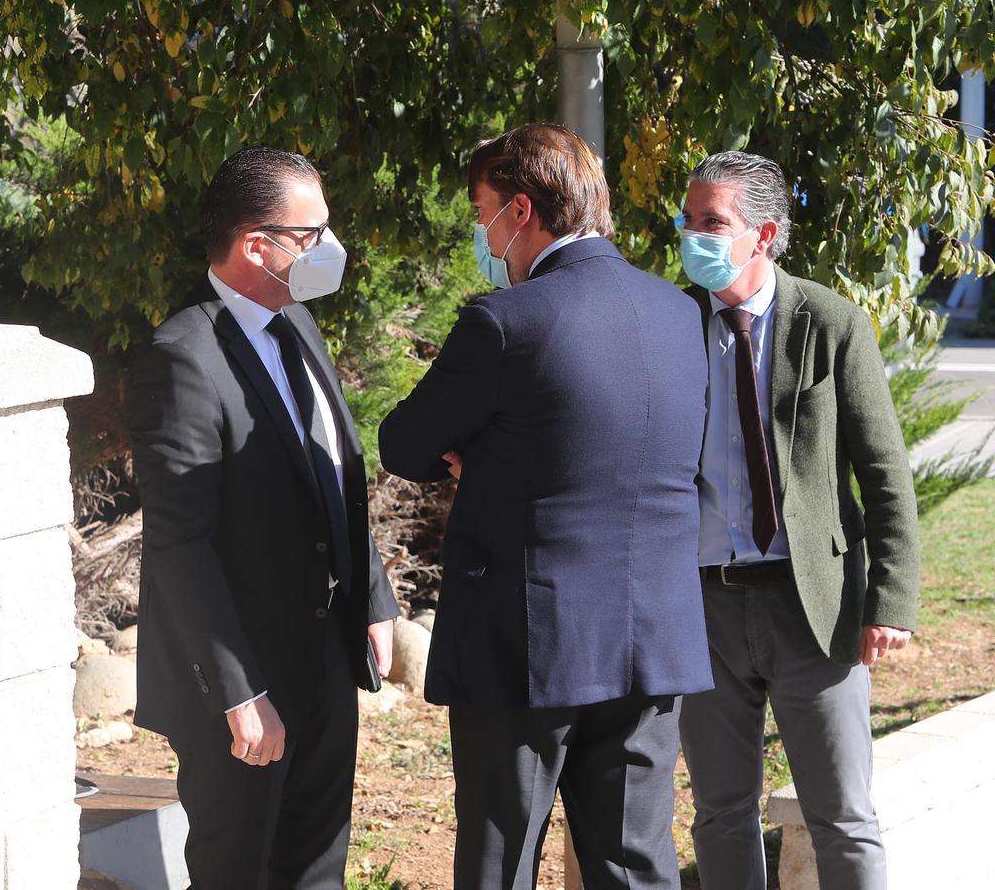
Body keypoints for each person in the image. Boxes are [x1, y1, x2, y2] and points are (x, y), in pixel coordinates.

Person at [378, 122, 712, 890]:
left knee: (502, 862)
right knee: (634, 868)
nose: (479, 231)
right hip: (651, 641)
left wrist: (473, 449)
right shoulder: (681, 315)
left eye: (481, 210)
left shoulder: (505, 320)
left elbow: (403, 443)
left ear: (520, 210)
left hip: (527, 647)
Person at [127, 146, 400, 890]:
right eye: (312, 236)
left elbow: (333, 470)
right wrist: (240, 694)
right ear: (256, 245)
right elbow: (182, 544)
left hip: (323, 660)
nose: (329, 250)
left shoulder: (296, 325)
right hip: (241, 686)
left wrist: (372, 594)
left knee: (317, 868)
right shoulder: (182, 358)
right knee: (239, 871)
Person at [675, 150, 920, 890]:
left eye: (712, 222)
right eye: (687, 221)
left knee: (840, 811)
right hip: (703, 606)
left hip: (815, 603)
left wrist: (892, 600)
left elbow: (884, 472)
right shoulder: (670, 324)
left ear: (765, 232)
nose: (694, 237)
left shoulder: (829, 321)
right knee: (719, 811)